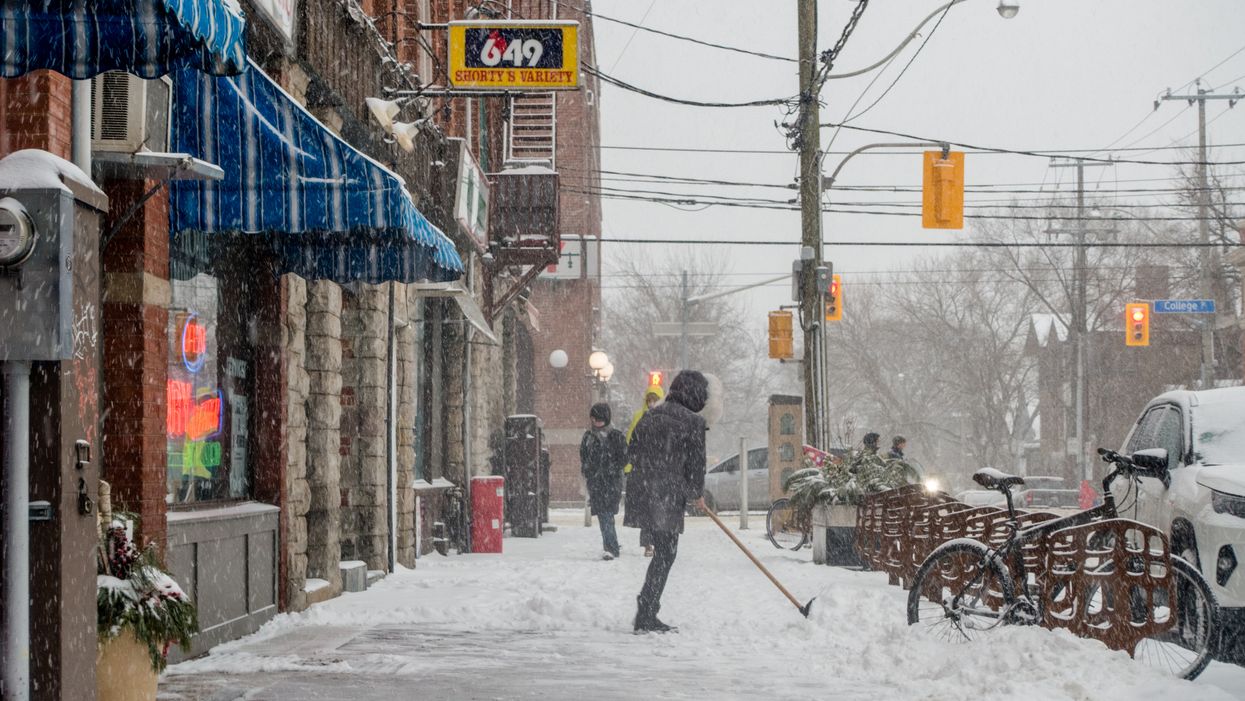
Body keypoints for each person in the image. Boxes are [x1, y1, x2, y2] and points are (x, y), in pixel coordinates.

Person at [624, 370, 709, 633]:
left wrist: (650, 473)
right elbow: (696, 465)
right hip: (668, 494)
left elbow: (632, 450)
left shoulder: (650, 416)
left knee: (661, 552)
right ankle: (647, 610)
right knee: (666, 553)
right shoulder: (693, 422)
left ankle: (647, 608)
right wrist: (696, 493)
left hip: (643, 490)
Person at [580, 403, 627, 560]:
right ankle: (611, 544)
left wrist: (610, 469)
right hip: (596, 483)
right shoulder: (588, 437)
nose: (597, 422)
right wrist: (589, 471)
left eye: (600, 419)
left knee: (606, 514)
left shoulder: (616, 436)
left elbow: (624, 459)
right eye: (594, 419)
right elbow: (584, 457)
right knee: (604, 515)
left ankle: (611, 548)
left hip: (611, 482)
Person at [625, 385, 665, 557]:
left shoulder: (665, 420)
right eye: (649, 400)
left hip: (656, 472)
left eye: (655, 400)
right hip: (644, 472)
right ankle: (648, 543)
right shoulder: (639, 418)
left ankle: (656, 542)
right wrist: (630, 466)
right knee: (647, 511)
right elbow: (630, 443)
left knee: (656, 510)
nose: (651, 403)